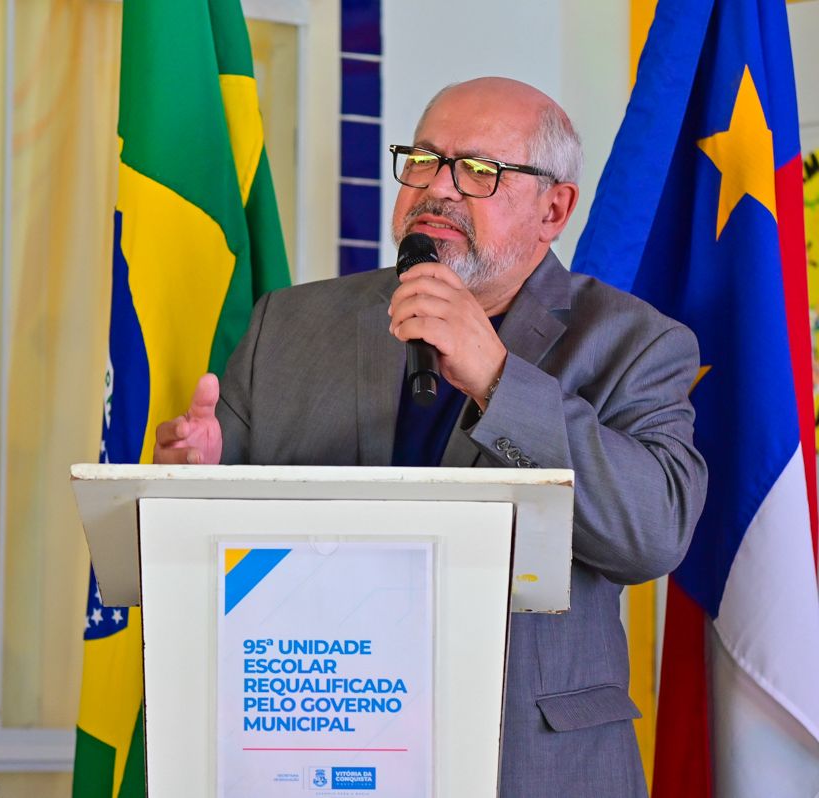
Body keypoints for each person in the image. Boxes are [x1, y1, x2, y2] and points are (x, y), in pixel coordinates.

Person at [154, 77, 707, 796]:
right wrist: (189, 479)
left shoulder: (635, 343)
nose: (437, 188)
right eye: (423, 160)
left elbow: (653, 533)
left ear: (554, 209)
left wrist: (498, 380)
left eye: (478, 170)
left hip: (532, 764)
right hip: (313, 751)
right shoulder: (286, 326)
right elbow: (212, 547)